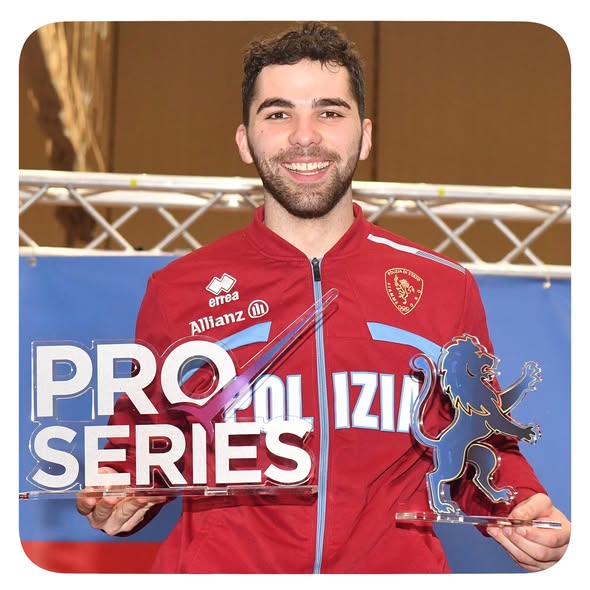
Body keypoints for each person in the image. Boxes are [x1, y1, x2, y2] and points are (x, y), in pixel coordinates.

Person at [76, 21, 571, 574]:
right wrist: (117, 491)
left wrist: (521, 505)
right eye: (278, 113)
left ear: (365, 135)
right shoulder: (178, 290)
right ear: (244, 140)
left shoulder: (443, 285)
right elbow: (142, 444)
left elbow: (480, 438)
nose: (304, 136)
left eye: (330, 112)